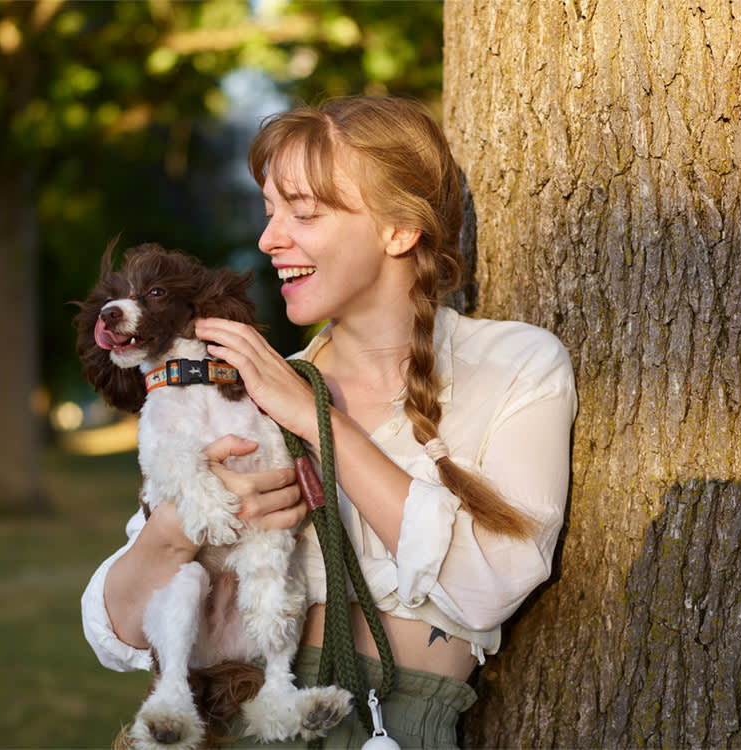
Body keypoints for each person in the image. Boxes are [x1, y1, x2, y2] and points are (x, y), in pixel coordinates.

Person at [82, 96, 577, 749]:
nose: (269, 239)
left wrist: (308, 415)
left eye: (303, 213)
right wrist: (180, 524)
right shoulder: (250, 384)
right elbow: (115, 627)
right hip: (241, 718)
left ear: (399, 229)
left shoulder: (515, 365)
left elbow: (489, 585)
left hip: (389, 729)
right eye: (269, 212)